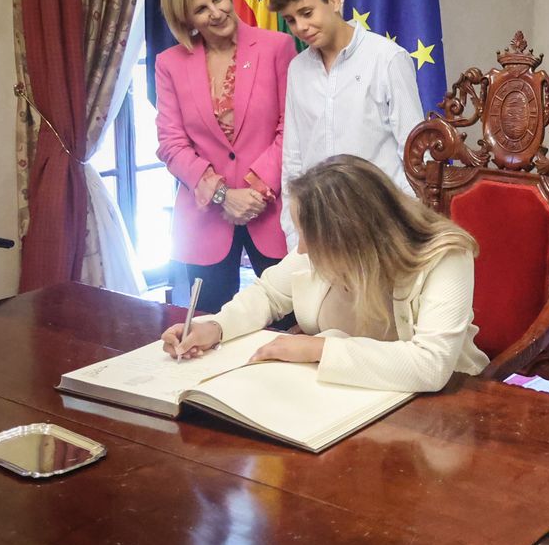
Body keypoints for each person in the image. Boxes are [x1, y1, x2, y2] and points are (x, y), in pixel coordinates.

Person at [162, 154, 488, 392]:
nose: (301, 250)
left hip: (443, 413)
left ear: (350, 238)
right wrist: (216, 327)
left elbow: (430, 365)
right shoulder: (323, 250)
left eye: (308, 236)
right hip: (342, 401)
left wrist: (318, 349)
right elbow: (268, 294)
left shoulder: (445, 256)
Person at [154, 0, 295, 312]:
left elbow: (292, 128)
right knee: (210, 326)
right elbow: (171, 144)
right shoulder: (169, 64)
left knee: (290, 324)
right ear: (185, 19)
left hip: (272, 213)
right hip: (205, 224)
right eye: (201, 9)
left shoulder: (277, 47)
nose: (216, 13)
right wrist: (222, 195)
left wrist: (255, 191)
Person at [267, 0, 425, 248]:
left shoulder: (387, 58)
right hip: (319, 229)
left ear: (334, 0)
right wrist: (294, 234)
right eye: (290, 20)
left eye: (307, 13)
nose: (300, 27)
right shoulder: (298, 70)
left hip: (382, 225)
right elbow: (294, 158)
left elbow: (414, 153)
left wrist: (405, 225)